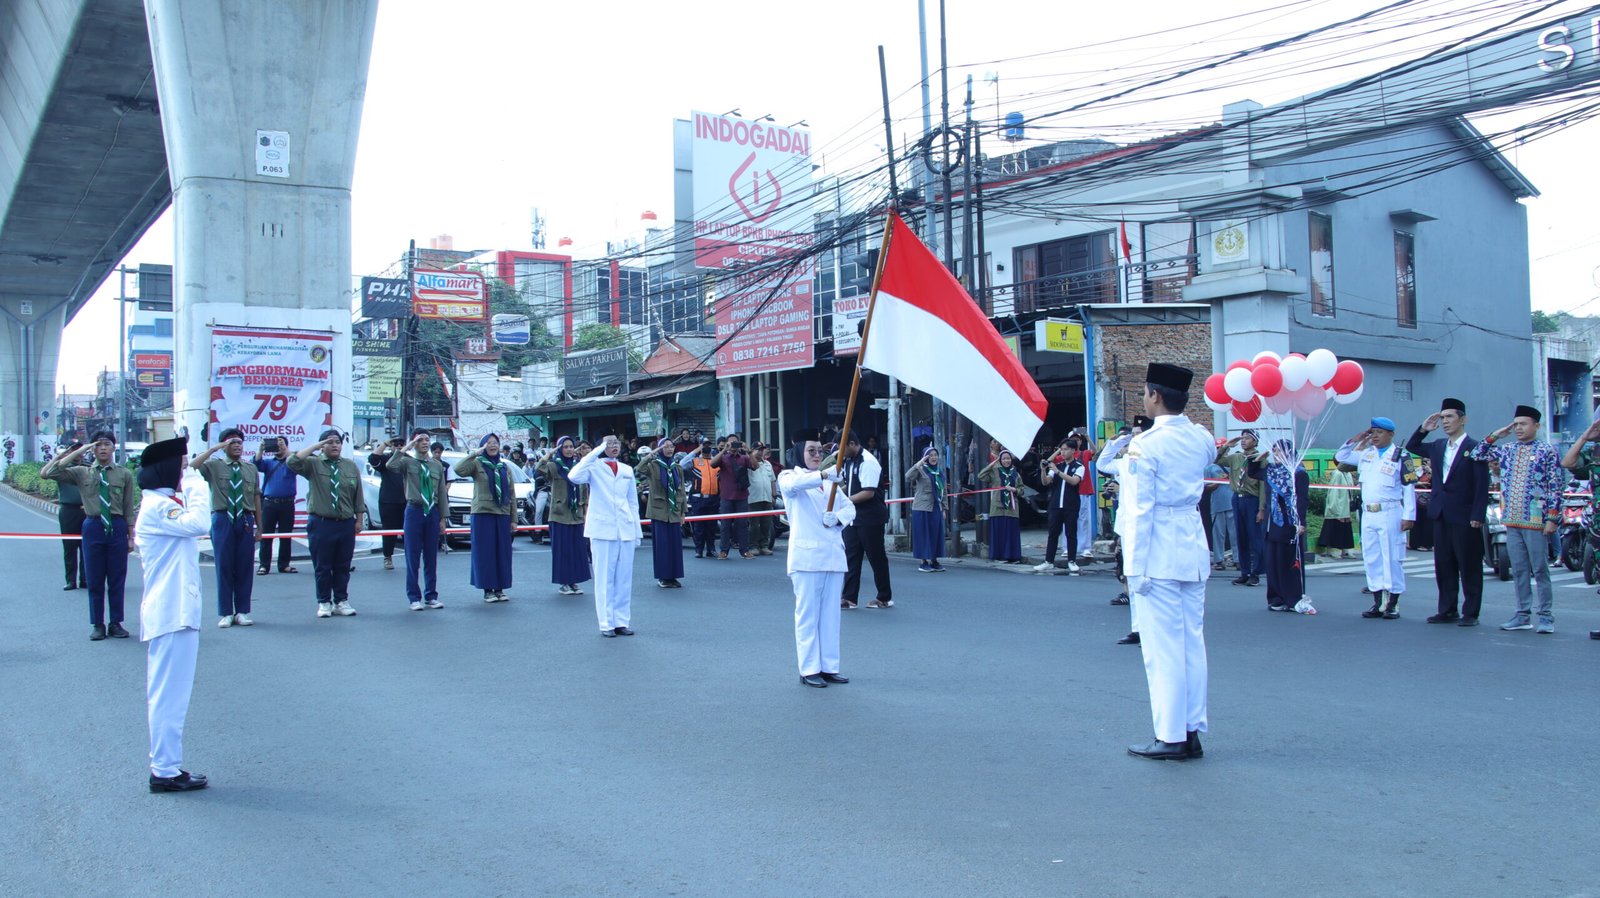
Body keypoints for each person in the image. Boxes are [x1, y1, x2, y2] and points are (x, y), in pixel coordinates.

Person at [1114, 363, 1214, 761]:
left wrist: (1133, 568)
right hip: (1192, 542)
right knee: (1193, 644)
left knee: (1163, 648)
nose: (1143, 399)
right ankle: (1190, 730)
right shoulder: (1200, 438)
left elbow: (1139, 510)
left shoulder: (1146, 445)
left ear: (1155, 396)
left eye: (1144, 393)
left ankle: (1170, 734)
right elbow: (1207, 449)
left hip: (1159, 548)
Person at [135, 435, 213, 793]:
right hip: (170, 613)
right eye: (181, 466)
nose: (185, 472)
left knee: (173, 694)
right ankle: (164, 770)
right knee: (169, 694)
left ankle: (167, 766)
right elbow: (199, 524)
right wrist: (197, 483)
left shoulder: (163, 503)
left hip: (175, 611)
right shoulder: (157, 507)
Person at [1469, 405, 1563, 633]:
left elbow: (1555, 485)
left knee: (1540, 569)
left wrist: (1552, 518)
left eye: (1523, 424)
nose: (1519, 428)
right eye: (1516, 424)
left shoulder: (1546, 451)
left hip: (1536, 520)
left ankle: (1546, 617)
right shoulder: (1507, 449)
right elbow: (1477, 454)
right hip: (1511, 520)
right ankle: (1522, 615)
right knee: (1519, 569)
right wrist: (1497, 435)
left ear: (1536, 426)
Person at [42, 431, 136, 640]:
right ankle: (98, 624)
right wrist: (81, 448)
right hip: (92, 525)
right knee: (94, 579)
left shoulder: (124, 474)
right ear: (93, 449)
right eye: (98, 445)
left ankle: (116, 623)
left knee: (117, 578)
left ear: (113, 448)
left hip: (117, 525)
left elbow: (129, 507)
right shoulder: (82, 472)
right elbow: (51, 472)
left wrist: (131, 536)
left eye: (107, 444)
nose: (103, 448)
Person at [1406, 398, 1491, 626]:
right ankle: (1447, 609)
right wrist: (1424, 428)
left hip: (1465, 515)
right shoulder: (1438, 446)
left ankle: (1471, 612)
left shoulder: (1474, 447)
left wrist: (1478, 514)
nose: (1445, 422)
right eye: (1442, 418)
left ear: (1462, 419)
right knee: (1444, 564)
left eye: (1449, 417)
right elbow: (1412, 447)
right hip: (1441, 512)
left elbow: (1482, 484)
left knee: (1469, 565)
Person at [780, 437, 855, 687]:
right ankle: (809, 668)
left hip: (833, 556)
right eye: (811, 451)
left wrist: (838, 518)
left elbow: (849, 508)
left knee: (831, 616)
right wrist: (823, 475)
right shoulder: (791, 476)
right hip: (807, 558)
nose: (815, 455)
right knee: (808, 615)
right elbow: (793, 486)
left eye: (819, 451)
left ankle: (829, 666)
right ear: (800, 453)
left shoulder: (830, 483)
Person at [1335, 418, 1418, 620]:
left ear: (1391, 434)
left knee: (1392, 557)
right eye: (1372, 432)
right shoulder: (1366, 454)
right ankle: (1378, 601)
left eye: (1379, 432)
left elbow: (1409, 487)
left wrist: (1409, 515)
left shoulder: (1401, 455)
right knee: (1372, 557)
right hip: (1369, 513)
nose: (1375, 436)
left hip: (1390, 511)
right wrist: (1357, 438)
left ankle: (1393, 604)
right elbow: (1341, 457)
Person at [566, 435, 642, 636]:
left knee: (624, 578)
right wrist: (596, 451)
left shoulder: (626, 470)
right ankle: (606, 623)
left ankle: (621, 621)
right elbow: (574, 476)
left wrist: (637, 531)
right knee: (604, 578)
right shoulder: (594, 467)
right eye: (609, 443)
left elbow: (633, 502)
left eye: (616, 443)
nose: (614, 446)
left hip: (624, 528)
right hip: (602, 530)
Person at [287, 429, 367, 618]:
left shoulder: (349, 466)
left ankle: (341, 600)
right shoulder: (313, 464)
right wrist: (316, 447)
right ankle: (324, 601)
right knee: (323, 566)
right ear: (322, 446)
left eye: (337, 442)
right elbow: (292, 462)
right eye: (330, 442)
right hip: (322, 523)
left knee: (343, 565)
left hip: (345, 523)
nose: (335, 445)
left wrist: (359, 520)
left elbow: (358, 496)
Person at [190, 428, 261, 628]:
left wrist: (260, 527)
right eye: (232, 443)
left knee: (245, 568)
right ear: (223, 446)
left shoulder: (250, 468)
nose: (237, 446)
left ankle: (242, 611)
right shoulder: (213, 466)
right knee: (224, 566)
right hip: (222, 519)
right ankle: (226, 612)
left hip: (245, 520)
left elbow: (256, 497)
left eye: (240, 442)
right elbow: (191, 469)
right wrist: (213, 449)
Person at [385, 430, 447, 610]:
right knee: (412, 556)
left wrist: (443, 517)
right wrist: (408, 447)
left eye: (427, 439)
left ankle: (431, 595)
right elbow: (390, 465)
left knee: (431, 556)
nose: (425, 443)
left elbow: (441, 492)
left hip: (432, 510)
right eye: (421, 440)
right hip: (415, 509)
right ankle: (414, 597)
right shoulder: (407, 462)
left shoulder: (436, 465)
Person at [454, 433, 518, 603]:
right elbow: (458, 469)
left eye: (495, 443)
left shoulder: (505, 468)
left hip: (502, 513)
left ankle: (500, 588)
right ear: (483, 446)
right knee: (485, 553)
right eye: (488, 443)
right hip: (482, 513)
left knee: (502, 553)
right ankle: (487, 590)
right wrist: (475, 452)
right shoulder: (477, 463)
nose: (492, 446)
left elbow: (511, 493)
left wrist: (514, 519)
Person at [1248, 439, 1310, 613]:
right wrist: (1258, 458)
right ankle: (1276, 598)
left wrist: (1301, 522)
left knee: (1288, 563)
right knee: (1273, 563)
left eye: (1280, 452)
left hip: (1289, 523)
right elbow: (1252, 473)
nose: (1276, 455)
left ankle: (1293, 598)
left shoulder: (1298, 473)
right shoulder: (1270, 471)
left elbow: (1302, 500)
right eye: (1274, 451)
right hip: (1271, 524)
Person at [836, 433, 892, 609]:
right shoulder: (848, 460)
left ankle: (884, 597)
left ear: (852, 444)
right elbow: (850, 485)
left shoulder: (868, 461)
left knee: (876, 558)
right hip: (852, 517)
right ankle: (849, 598)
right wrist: (836, 495)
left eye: (842, 448)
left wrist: (845, 500)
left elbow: (868, 492)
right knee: (851, 557)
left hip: (871, 517)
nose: (840, 453)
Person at [539, 435, 591, 595]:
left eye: (570, 447)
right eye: (565, 447)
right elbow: (540, 467)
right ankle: (564, 583)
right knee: (563, 551)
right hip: (560, 514)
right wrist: (550, 453)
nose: (569, 450)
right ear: (559, 449)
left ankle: (574, 581)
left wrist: (584, 511)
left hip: (576, 514)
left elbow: (583, 489)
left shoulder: (578, 466)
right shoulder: (555, 466)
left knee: (577, 550)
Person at [1217, 430, 1267, 587]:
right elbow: (1216, 460)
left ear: (1255, 441)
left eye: (1248, 438)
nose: (1244, 441)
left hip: (1252, 500)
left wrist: (1261, 509)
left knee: (1255, 538)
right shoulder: (1236, 457)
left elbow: (1262, 486)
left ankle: (1256, 573)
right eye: (1243, 438)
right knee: (1241, 537)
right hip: (1237, 499)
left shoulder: (1260, 459)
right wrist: (1226, 446)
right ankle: (1244, 572)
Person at [637, 438, 687, 588]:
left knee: (675, 546)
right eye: (665, 447)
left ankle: (674, 576)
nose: (669, 449)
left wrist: (683, 511)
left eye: (671, 446)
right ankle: (663, 577)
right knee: (662, 546)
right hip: (659, 511)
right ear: (660, 449)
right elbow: (638, 469)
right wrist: (651, 454)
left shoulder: (676, 467)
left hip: (674, 511)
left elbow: (682, 490)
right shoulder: (653, 466)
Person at [1036, 437, 1085, 573]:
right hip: (1056, 504)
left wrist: (1058, 472)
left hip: (1071, 504)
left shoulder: (1079, 466)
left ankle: (1072, 560)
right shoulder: (1058, 466)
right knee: (1053, 533)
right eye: (1061, 450)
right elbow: (1046, 482)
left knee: (1071, 533)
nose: (1063, 453)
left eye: (1066, 449)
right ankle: (1048, 561)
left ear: (1073, 451)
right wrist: (1043, 470)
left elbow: (1074, 481)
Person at [255, 437, 298, 574]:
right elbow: (256, 463)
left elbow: (298, 461)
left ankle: (284, 564)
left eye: (281, 444)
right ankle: (264, 565)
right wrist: (261, 449)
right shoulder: (268, 463)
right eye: (276, 444)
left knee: (286, 535)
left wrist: (286, 450)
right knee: (267, 535)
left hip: (288, 504)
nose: (278, 447)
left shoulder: (291, 462)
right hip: (269, 504)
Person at [368, 437, 409, 571]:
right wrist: (385, 443)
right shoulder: (386, 459)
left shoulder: (409, 459)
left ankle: (411, 557)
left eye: (401, 444)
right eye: (395, 444)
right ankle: (388, 557)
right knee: (389, 531)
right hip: (388, 501)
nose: (398, 446)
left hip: (407, 501)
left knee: (409, 531)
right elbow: (372, 459)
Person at [905, 446, 948, 573]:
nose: (933, 457)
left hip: (936, 506)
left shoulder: (939, 472)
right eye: (930, 455)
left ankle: (934, 560)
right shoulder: (921, 469)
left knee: (935, 534)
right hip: (922, 507)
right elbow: (908, 477)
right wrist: (918, 464)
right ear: (925, 457)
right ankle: (923, 562)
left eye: (935, 455)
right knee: (923, 534)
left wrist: (944, 508)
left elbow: (943, 491)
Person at [712, 437, 756, 559]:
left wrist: (749, 451)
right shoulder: (724, 457)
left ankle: (745, 550)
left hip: (742, 495)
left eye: (735, 443)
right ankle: (724, 551)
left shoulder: (744, 457)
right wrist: (724, 450)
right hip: (726, 496)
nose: (733, 446)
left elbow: (755, 466)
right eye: (731, 443)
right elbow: (712, 464)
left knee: (742, 524)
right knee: (725, 525)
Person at [978, 449, 1025, 563]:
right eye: (1003, 459)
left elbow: (1021, 490)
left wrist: (1014, 489)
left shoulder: (1015, 473)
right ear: (1000, 460)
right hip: (997, 506)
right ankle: (998, 556)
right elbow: (981, 475)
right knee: (998, 532)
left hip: (1012, 507)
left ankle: (1012, 556)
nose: (1006, 461)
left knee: (1011, 532)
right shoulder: (995, 471)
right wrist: (993, 463)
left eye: (1008, 458)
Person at [55, 451, 88, 591]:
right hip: (68, 511)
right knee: (69, 547)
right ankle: (70, 580)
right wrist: (63, 457)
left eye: (80, 451)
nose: (77, 455)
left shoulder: (88, 468)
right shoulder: (62, 471)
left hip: (87, 511)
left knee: (86, 547)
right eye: (74, 452)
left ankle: (85, 579)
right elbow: (47, 472)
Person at [683, 438, 721, 558]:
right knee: (699, 526)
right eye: (704, 444)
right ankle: (699, 550)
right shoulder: (695, 461)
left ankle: (711, 549)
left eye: (708, 444)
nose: (706, 447)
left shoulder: (716, 461)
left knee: (712, 527)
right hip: (698, 499)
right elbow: (682, 464)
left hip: (713, 498)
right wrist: (696, 451)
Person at [746, 444, 778, 556]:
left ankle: (764, 545)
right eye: (757, 450)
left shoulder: (768, 464)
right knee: (754, 525)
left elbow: (772, 480)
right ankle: (753, 546)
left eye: (761, 450)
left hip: (767, 497)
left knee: (766, 523)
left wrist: (774, 495)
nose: (760, 452)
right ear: (752, 450)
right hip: (754, 498)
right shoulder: (748, 463)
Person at [1319, 465, 1357, 560]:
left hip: (1345, 503)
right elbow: (1334, 492)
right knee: (1336, 525)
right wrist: (1334, 508)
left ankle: (1346, 549)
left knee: (1346, 525)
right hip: (1337, 504)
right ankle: (1334, 550)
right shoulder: (1337, 474)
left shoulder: (1347, 473)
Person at [1204, 462, 1234, 570]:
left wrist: (1230, 477)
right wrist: (1218, 482)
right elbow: (1205, 487)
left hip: (1232, 503)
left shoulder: (1232, 464)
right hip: (1217, 505)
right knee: (1218, 534)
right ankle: (1219, 560)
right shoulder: (1209, 467)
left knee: (1235, 534)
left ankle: (1238, 560)